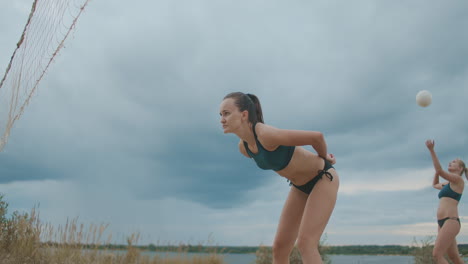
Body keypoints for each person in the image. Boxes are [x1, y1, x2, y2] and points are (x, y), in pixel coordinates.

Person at [219, 92, 339, 264]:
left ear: (244, 114)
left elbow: (316, 137)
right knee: (280, 248)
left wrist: (324, 156)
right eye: (221, 115)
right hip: (299, 187)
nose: (222, 119)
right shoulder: (244, 148)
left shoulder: (266, 134)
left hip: (323, 178)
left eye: (227, 113)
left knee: (306, 244)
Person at [426, 139, 468, 264]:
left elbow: (440, 170)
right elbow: (435, 185)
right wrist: (437, 172)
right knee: (454, 258)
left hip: (451, 221)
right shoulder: (448, 184)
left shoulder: (458, 180)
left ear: (460, 168)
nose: (450, 162)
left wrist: (431, 150)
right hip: (442, 223)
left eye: (454, 162)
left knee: (437, 255)